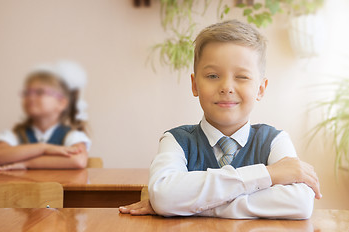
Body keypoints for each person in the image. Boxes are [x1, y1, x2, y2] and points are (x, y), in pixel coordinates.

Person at [120, 20, 321, 219]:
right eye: (213, 76)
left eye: (241, 77)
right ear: (195, 85)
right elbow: (163, 196)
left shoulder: (275, 140)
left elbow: (300, 203)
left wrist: (193, 205)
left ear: (260, 88)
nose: (226, 87)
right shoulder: (176, 140)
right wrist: (268, 174)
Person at [0, 61, 91, 170]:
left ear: (61, 103)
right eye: (27, 92)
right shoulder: (16, 134)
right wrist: (43, 148)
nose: (30, 97)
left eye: (39, 92)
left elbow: (78, 160)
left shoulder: (71, 134)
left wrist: (27, 163)